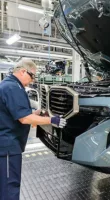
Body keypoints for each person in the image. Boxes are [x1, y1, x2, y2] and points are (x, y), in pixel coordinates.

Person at [0, 58, 66, 200]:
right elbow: (24, 119)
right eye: (32, 76)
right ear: (23, 71)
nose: (33, 80)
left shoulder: (11, 85)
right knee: (9, 185)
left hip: (9, 144)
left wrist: (37, 114)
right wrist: (52, 120)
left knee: (6, 184)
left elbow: (19, 113)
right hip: (8, 147)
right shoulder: (12, 88)